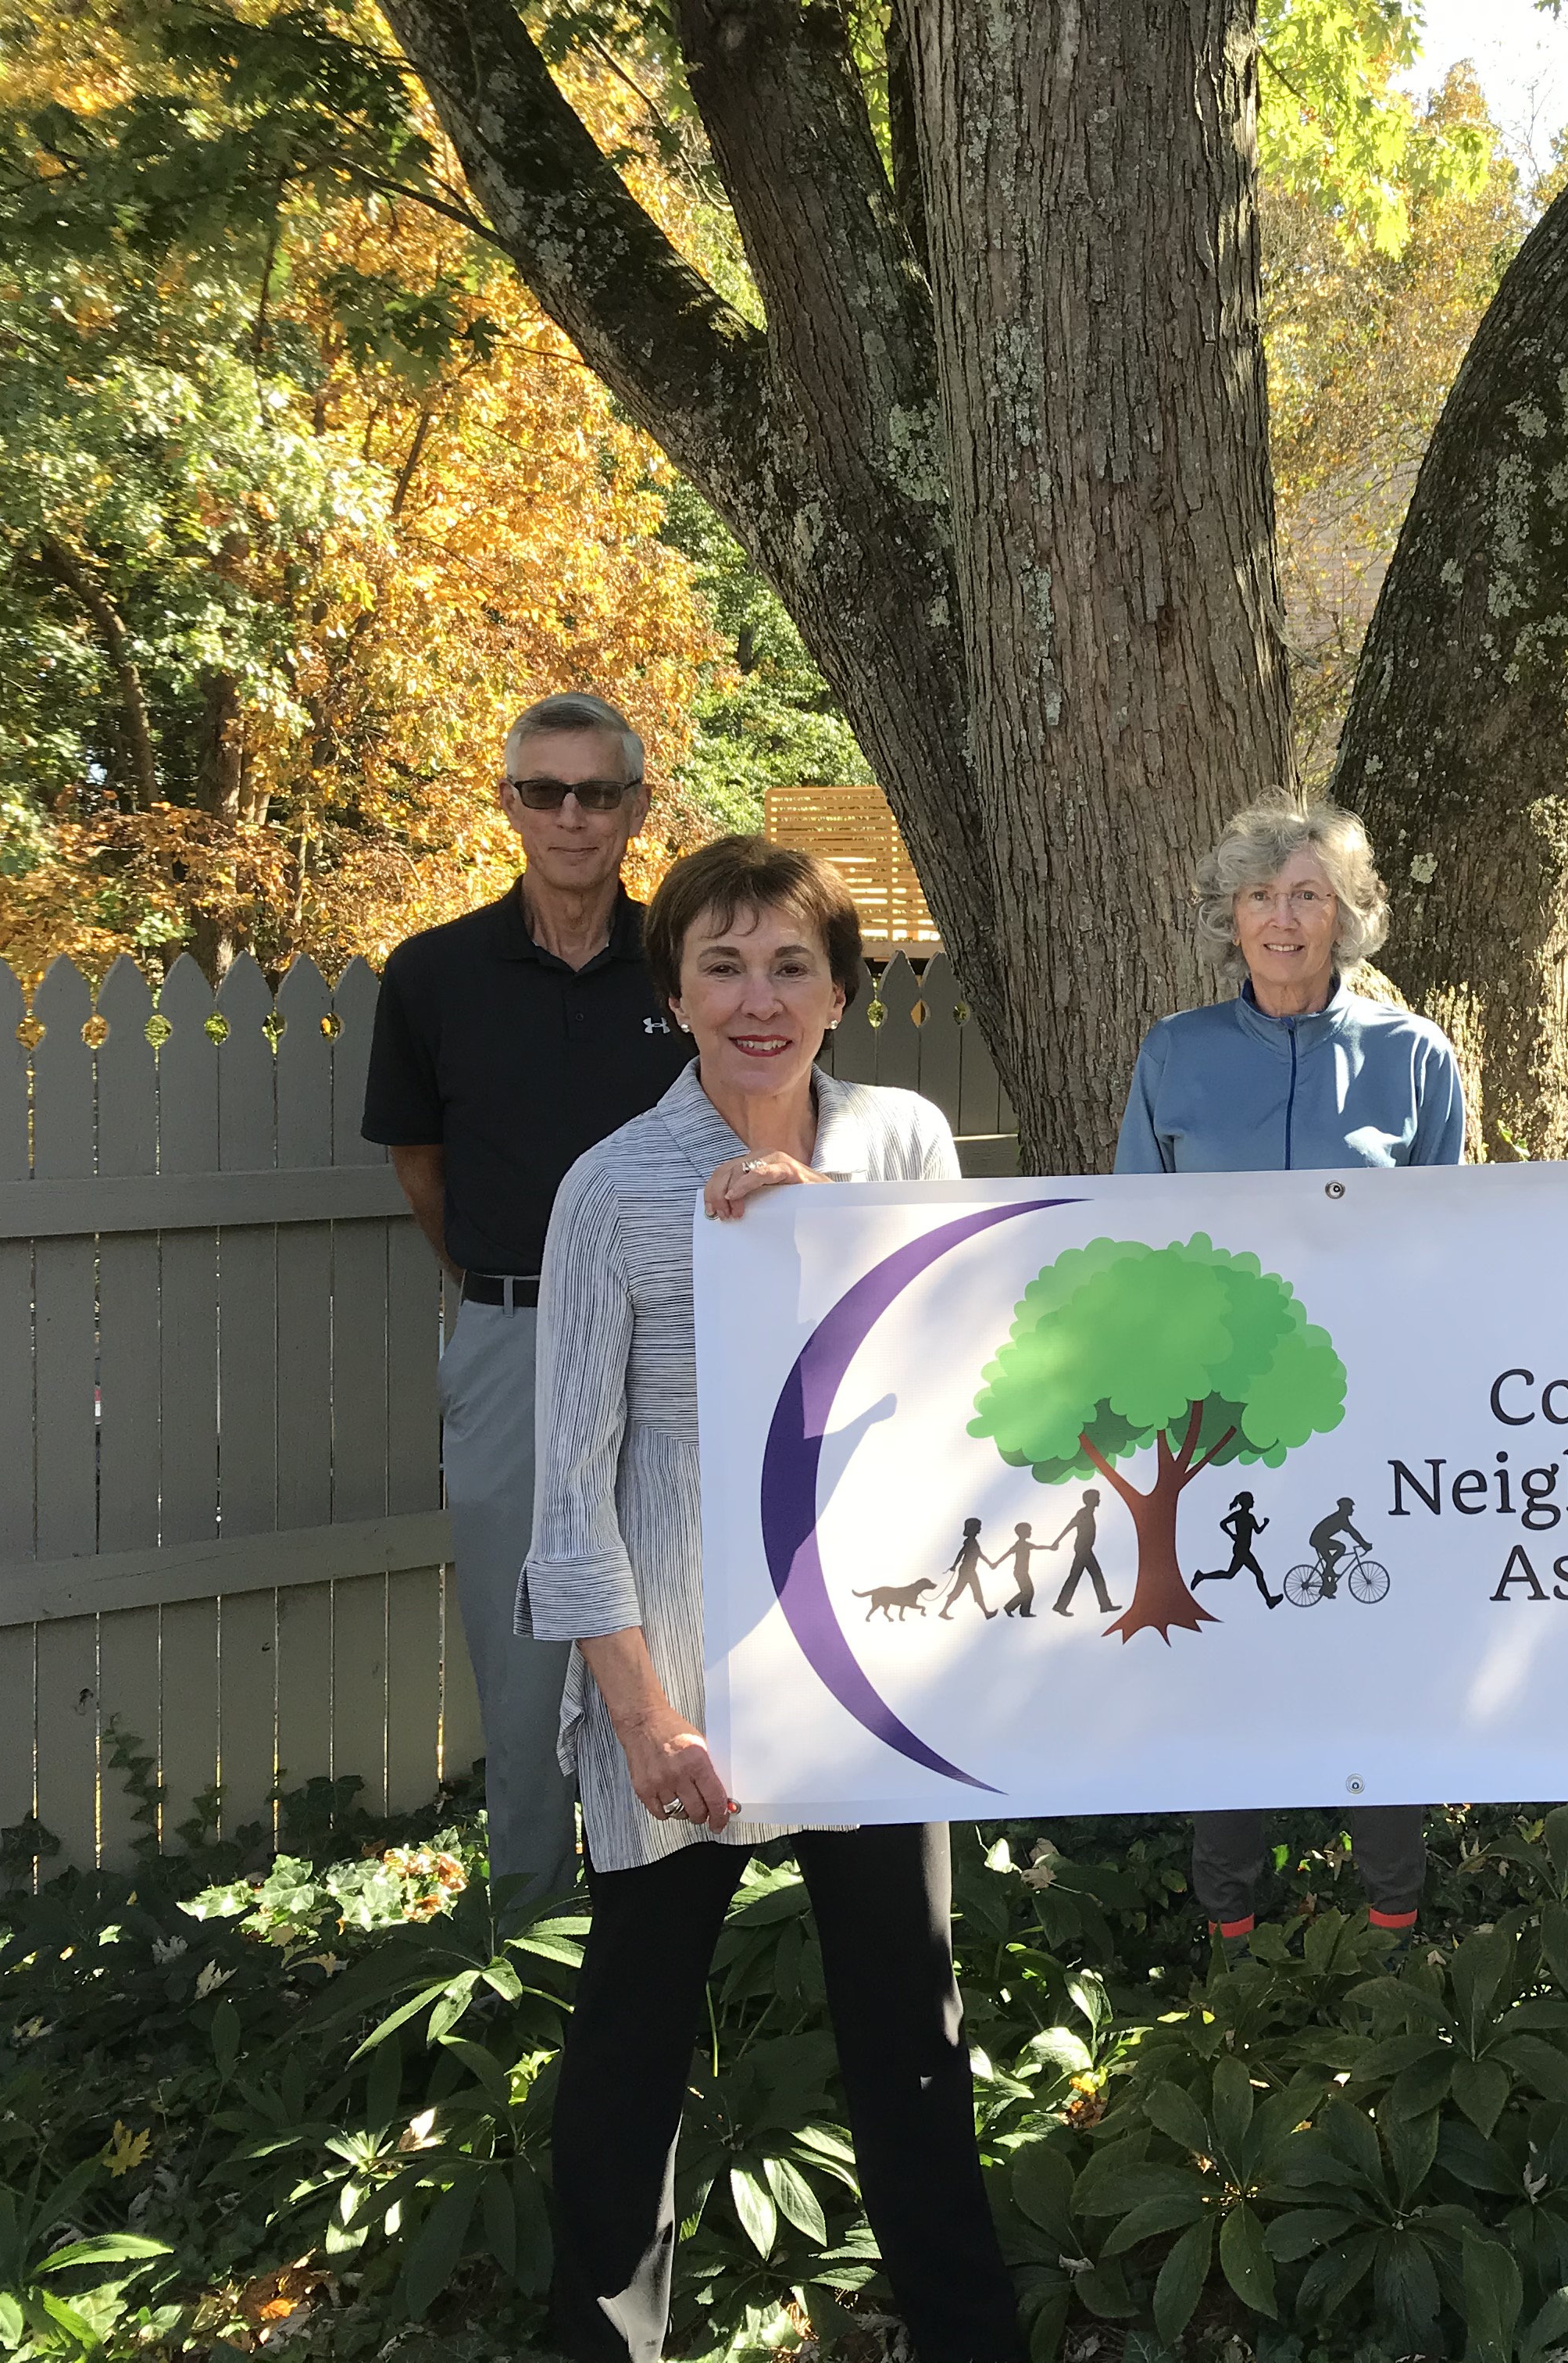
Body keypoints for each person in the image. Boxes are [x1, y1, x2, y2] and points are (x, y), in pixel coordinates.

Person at [519, 835, 1017, 2363]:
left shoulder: (908, 1143)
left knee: (913, 2037)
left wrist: (829, 1252)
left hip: (863, 1661)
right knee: (632, 2048)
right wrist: (645, 1720)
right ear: (671, 989)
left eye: (792, 963)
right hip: (676, 1680)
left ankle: (967, 2338)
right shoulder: (611, 1187)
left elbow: (965, 1396)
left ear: (843, 989)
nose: (758, 997)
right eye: (722, 964)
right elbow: (571, 1489)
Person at [1115, 796, 1469, 1962]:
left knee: (1377, 1649)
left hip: (1374, 1411)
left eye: (1307, 894)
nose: (1281, 917)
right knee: (1227, 1653)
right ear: (1231, 915)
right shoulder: (1174, 1053)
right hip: (1216, 1420)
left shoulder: (1414, 1058)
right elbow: (1132, 1240)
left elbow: (1452, 1241)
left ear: (1348, 916)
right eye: (1261, 896)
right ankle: (1232, 1934)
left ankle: (1392, 1928)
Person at [362, 690, 695, 1908]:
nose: (570, 816)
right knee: (524, 1644)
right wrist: (514, 1298)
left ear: (635, 808)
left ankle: (670, 1912)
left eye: (596, 792)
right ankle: (531, 1924)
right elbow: (421, 1169)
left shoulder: (691, 963)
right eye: (543, 791)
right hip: (513, 1333)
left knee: (682, 1607)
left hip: (679, 1338)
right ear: (507, 803)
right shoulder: (435, 974)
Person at [1195, 1492, 1272, 1606]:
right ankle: (1269, 1600)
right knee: (1258, 1573)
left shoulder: (1251, 1517)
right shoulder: (1239, 1515)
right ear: (1246, 1503)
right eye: (1251, 1500)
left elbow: (1257, 1531)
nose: (1253, 1502)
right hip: (1241, 1550)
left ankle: (1202, 1576)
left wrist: (1265, 1524)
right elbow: (1223, 1523)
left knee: (1230, 1574)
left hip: (1244, 1550)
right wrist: (1232, 1535)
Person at [1048, 1490, 1114, 1615]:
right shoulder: (1083, 1513)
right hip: (1083, 1549)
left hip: (1085, 1549)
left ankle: (1061, 1605)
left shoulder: (1088, 1513)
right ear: (1091, 1500)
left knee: (1076, 1577)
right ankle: (1105, 1604)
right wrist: (1056, 1542)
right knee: (1096, 1576)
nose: (1099, 1500)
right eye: (1097, 1498)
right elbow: (1070, 1525)